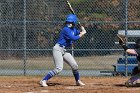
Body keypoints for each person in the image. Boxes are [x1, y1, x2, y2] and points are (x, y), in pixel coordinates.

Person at [39, 14, 86, 87]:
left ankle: (78, 81)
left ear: (74, 23)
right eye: (68, 22)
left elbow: (78, 33)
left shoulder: (73, 30)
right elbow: (74, 38)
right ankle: (44, 80)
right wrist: (82, 33)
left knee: (74, 65)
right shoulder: (66, 29)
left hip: (64, 50)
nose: (69, 24)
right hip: (58, 49)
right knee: (59, 68)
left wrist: (82, 30)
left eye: (71, 22)